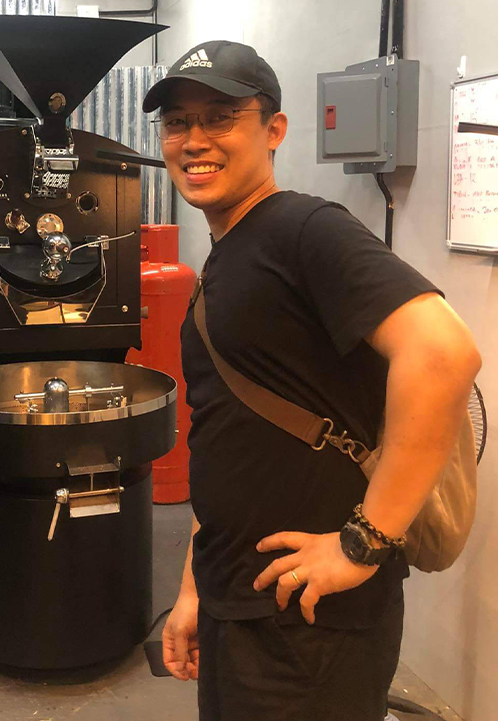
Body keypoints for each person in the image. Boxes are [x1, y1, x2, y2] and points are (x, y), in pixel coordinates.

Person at [143, 41, 481, 720]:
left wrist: (363, 544)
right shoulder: (231, 251)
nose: (195, 140)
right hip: (240, 601)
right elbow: (226, 437)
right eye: (178, 122)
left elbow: (444, 354)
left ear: (274, 130)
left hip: (310, 626)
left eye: (221, 117)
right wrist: (196, 589)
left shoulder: (303, 228)